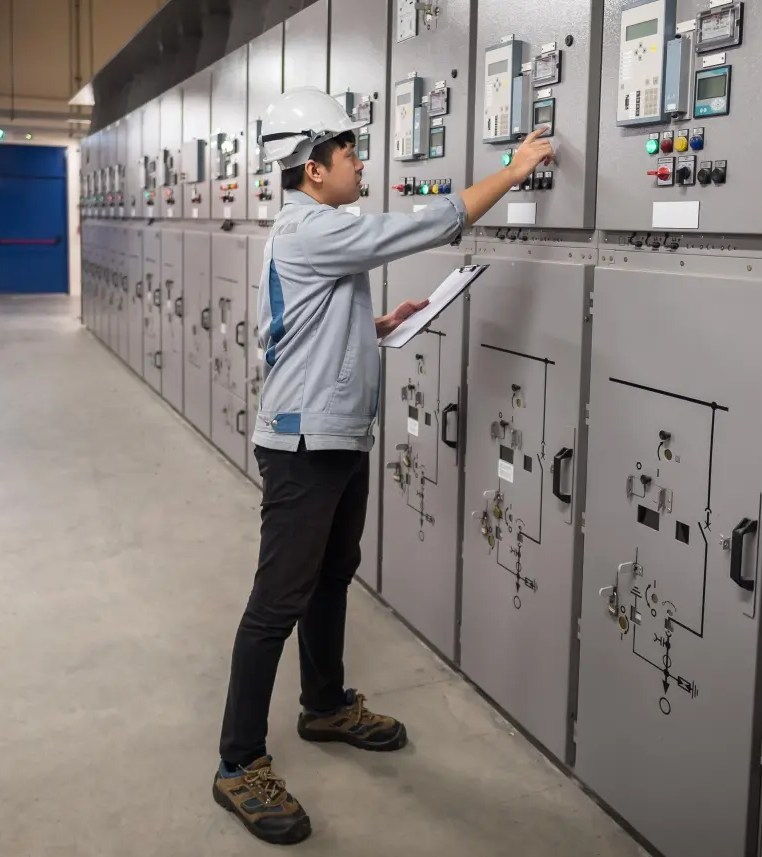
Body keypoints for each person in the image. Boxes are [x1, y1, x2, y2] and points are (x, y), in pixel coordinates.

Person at [213, 86, 555, 845]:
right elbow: (423, 225)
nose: (361, 163)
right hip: (305, 445)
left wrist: (372, 323)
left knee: (333, 575)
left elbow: (291, 325)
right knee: (277, 601)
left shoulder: (309, 232)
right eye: (350, 153)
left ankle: (325, 703)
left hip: (338, 437)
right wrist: (514, 167)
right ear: (312, 168)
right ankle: (239, 763)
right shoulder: (312, 228)